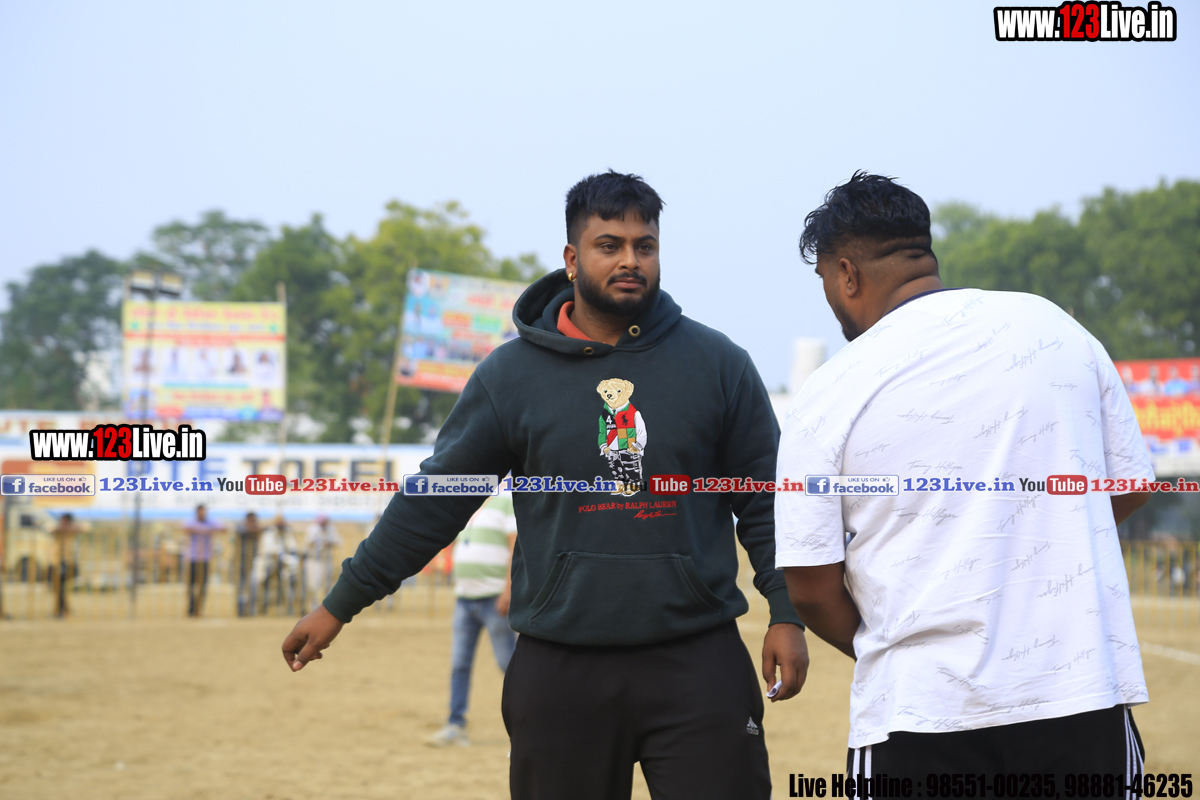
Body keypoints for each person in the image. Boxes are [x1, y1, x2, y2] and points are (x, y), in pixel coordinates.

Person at [283, 170, 808, 800]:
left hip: (699, 660)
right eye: (609, 245)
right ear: (571, 259)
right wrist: (340, 603)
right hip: (560, 666)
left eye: (644, 246)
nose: (630, 260)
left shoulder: (718, 365)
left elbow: (766, 503)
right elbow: (434, 503)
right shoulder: (510, 377)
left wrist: (786, 612)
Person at [776, 172, 1152, 784]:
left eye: (824, 280)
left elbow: (812, 587)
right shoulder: (1055, 330)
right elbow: (1130, 485)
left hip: (919, 714)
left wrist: (896, 647)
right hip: (1079, 697)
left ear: (847, 274)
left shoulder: (829, 392)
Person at [427, 492, 519, 748]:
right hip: (464, 598)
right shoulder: (469, 504)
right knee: (459, 664)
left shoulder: (506, 502)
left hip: (494, 599)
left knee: (509, 665)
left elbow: (516, 547)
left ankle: (532, 722)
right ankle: (455, 725)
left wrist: (509, 589)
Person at [183, 504, 225, 618]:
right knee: (190, 585)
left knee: (203, 586)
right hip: (192, 557)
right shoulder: (191, 522)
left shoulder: (210, 522)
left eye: (203, 511)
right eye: (200, 511)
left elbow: (224, 528)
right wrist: (206, 530)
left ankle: (198, 609)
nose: (201, 513)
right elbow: (184, 528)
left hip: (205, 558)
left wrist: (202, 530)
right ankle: (191, 608)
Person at [303, 515, 342, 611]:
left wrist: (328, 543)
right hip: (314, 561)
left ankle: (326, 608)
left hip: (326, 561)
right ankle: (313, 608)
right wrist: (322, 544)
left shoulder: (331, 529)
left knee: (327, 585)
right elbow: (309, 542)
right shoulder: (313, 529)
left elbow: (339, 541)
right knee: (313, 585)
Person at [50, 513, 80, 618]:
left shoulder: (71, 531)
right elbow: (50, 529)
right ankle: (63, 609)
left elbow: (85, 527)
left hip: (67, 562)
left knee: (61, 588)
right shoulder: (56, 530)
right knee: (57, 588)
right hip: (56, 561)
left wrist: (70, 529)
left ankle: (61, 610)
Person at [235, 511, 263, 617]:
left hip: (252, 563)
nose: (252, 522)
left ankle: (248, 610)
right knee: (241, 588)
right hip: (240, 563)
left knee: (251, 587)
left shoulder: (256, 530)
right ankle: (241, 611)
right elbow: (244, 531)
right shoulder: (241, 528)